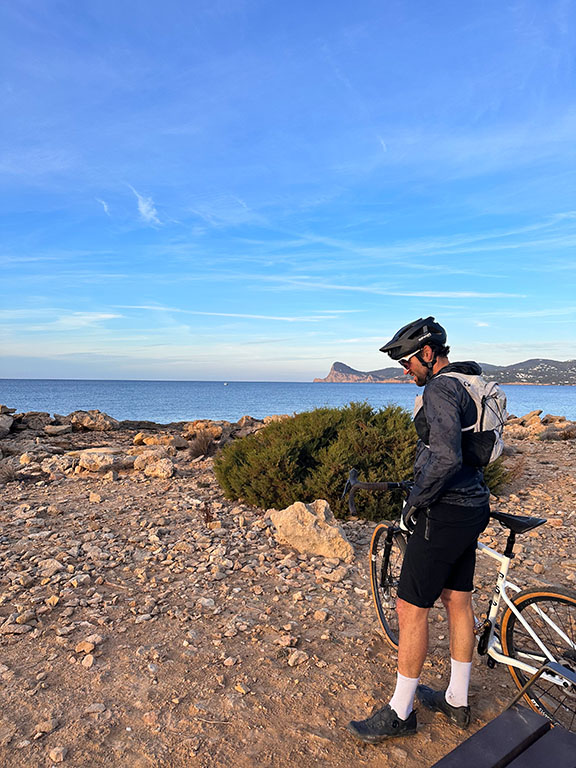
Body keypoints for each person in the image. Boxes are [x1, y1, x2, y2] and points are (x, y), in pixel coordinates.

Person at [348, 317, 490, 744]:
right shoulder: (469, 380)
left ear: (428, 354)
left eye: (408, 362)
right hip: (473, 505)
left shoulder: (440, 388)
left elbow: (444, 458)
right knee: (458, 599)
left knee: (411, 608)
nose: (405, 370)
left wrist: (414, 505)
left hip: (445, 512)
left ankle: (400, 711)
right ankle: (457, 700)